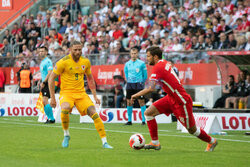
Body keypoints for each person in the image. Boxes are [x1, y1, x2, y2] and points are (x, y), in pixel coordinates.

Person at [131, 46, 217, 152]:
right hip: (170, 98)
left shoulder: (158, 67)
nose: (147, 58)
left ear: (155, 57)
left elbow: (151, 88)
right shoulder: (163, 62)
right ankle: (155, 143)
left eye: (148, 56)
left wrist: (135, 95)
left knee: (192, 130)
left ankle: (211, 141)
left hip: (181, 101)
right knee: (149, 113)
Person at [48, 40, 113, 149]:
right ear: (70, 50)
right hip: (67, 93)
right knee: (65, 108)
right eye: (75, 50)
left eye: (79, 49)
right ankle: (66, 135)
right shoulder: (63, 62)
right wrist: (53, 98)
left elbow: (90, 79)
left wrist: (95, 96)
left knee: (94, 113)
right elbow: (51, 79)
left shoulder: (85, 62)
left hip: (81, 94)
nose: (78, 52)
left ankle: (105, 142)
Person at [124, 47, 148, 125]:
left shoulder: (141, 63)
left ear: (137, 54)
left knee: (141, 102)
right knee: (129, 102)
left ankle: (144, 121)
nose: (133, 55)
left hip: (139, 84)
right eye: (132, 53)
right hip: (130, 84)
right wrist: (129, 81)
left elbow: (145, 75)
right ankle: (129, 120)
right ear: (130, 54)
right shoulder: (127, 64)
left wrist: (141, 82)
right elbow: (126, 75)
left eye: (135, 53)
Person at [39, 46, 55, 123]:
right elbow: (44, 73)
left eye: (42, 51)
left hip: (48, 83)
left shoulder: (48, 61)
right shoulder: (42, 62)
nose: (41, 52)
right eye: (40, 51)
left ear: (46, 52)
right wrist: (41, 81)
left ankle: (51, 119)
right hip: (44, 83)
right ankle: (49, 118)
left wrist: (44, 82)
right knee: (44, 101)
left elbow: (50, 72)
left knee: (45, 100)